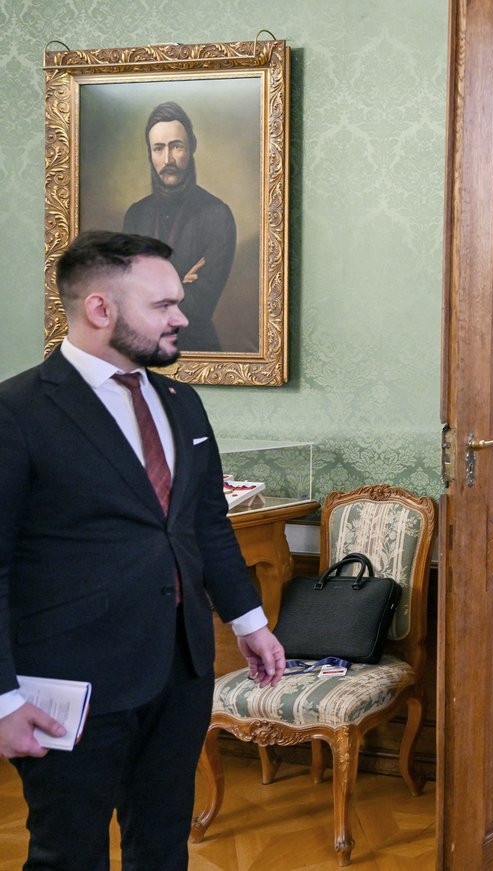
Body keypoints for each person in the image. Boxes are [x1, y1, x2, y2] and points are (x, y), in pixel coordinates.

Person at [0, 230, 284, 868]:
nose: (181, 317)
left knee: (161, 846)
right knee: (68, 855)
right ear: (100, 309)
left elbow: (205, 522)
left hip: (180, 669)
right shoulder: (15, 411)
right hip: (71, 682)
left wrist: (249, 622)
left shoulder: (181, 401)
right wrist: (1, 699)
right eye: (163, 305)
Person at [123, 101, 237, 353]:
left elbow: (199, 306)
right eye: (158, 148)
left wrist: (148, 288)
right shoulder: (136, 215)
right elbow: (126, 297)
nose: (168, 159)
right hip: (140, 353)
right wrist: (179, 282)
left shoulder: (217, 215)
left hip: (197, 352)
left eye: (176, 146)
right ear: (150, 154)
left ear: (192, 146)